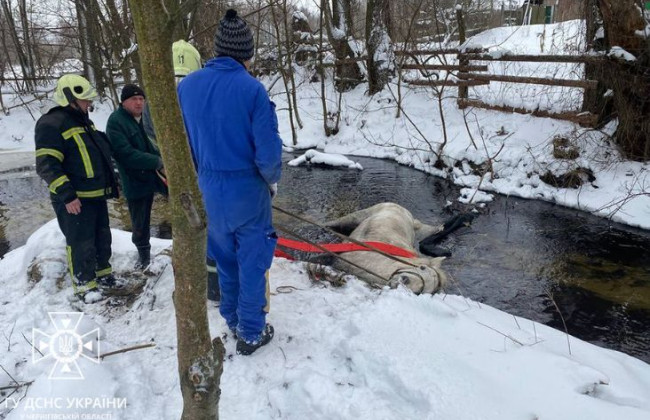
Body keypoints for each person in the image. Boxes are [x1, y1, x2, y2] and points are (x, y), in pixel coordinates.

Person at [178, 9, 283, 355]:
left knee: (224, 259)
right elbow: (268, 155)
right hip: (247, 190)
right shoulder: (252, 90)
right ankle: (251, 332)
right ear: (246, 55)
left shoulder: (188, 87)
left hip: (208, 188)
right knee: (252, 261)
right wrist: (271, 182)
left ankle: (232, 319)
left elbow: (186, 144)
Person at [35, 74, 120, 302]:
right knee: (80, 242)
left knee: (102, 238)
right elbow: (46, 165)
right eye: (85, 101)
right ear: (70, 98)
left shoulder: (83, 122)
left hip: (95, 195)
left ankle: (104, 276)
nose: (89, 104)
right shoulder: (51, 124)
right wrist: (67, 195)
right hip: (75, 199)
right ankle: (85, 287)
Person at [106, 84, 167, 270]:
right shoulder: (116, 121)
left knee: (183, 201)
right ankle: (144, 257)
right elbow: (125, 154)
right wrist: (157, 161)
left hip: (155, 174)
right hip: (134, 178)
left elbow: (154, 142)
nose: (139, 103)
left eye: (141, 99)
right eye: (134, 99)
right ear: (123, 102)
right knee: (140, 220)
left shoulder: (145, 118)